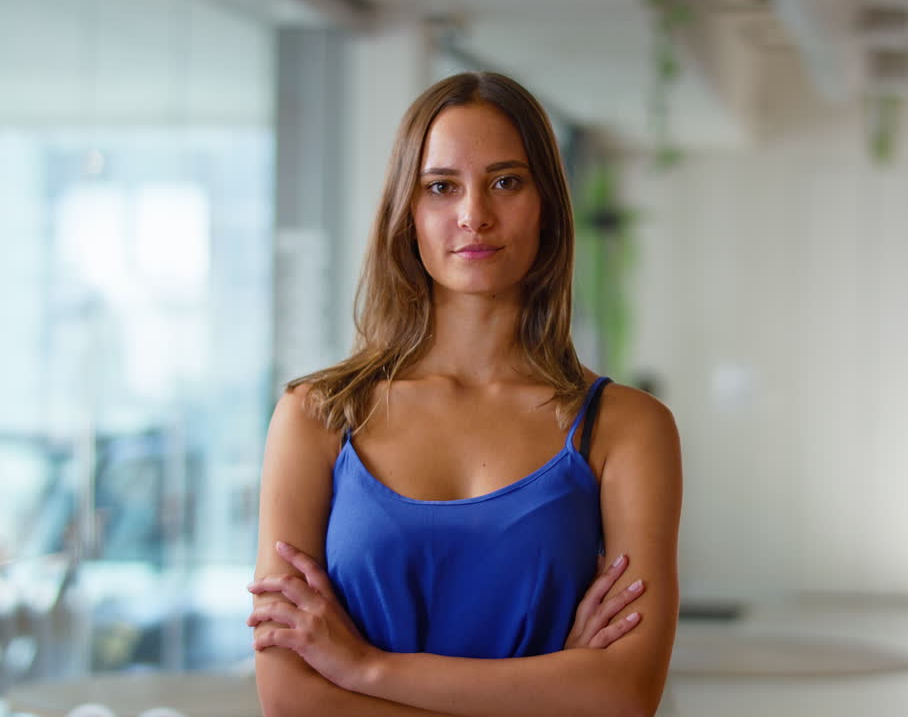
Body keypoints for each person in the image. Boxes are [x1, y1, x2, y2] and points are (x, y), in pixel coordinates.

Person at [247, 71, 683, 717]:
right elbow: (291, 699)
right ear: (408, 214)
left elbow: (624, 694)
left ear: (547, 209)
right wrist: (551, 689)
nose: (474, 215)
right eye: (441, 187)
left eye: (506, 182)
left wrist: (366, 667)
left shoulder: (625, 429)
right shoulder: (317, 418)